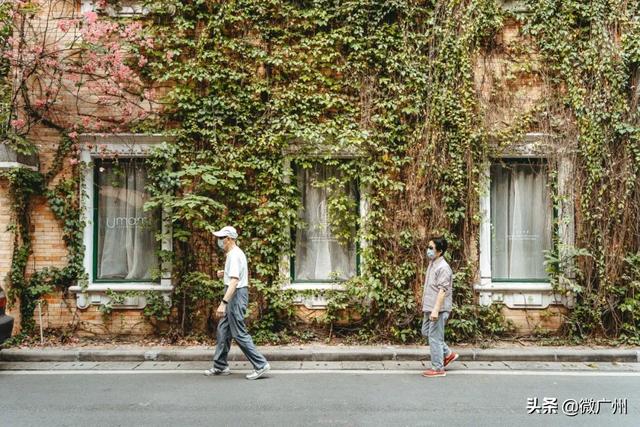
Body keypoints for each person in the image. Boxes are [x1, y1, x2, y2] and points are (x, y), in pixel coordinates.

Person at [204, 226, 271, 380]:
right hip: (234, 293)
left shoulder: (234, 255)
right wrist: (224, 273)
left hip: (235, 295)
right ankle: (220, 365)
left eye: (221, 238)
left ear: (229, 239)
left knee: (239, 333)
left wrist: (223, 303)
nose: (219, 241)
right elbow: (233, 275)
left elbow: (235, 281)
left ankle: (261, 365)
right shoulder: (233, 254)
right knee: (223, 330)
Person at [421, 236, 458, 377]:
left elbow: (443, 290)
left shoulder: (443, 268)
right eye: (428, 247)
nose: (428, 250)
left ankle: (438, 368)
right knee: (426, 331)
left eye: (431, 248)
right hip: (429, 306)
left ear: (440, 251)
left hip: (438, 309)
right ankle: (448, 354)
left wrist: (436, 310)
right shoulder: (433, 263)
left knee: (434, 338)